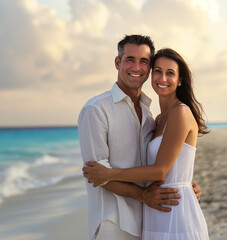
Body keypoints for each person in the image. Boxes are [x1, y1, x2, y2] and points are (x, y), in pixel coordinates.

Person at [78, 34, 201, 240]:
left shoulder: (149, 114)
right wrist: (143, 194)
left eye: (143, 61)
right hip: (114, 221)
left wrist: (185, 183)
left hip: (149, 216)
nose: (136, 67)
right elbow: (97, 175)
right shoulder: (96, 109)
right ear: (118, 63)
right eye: (130, 60)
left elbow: (160, 165)